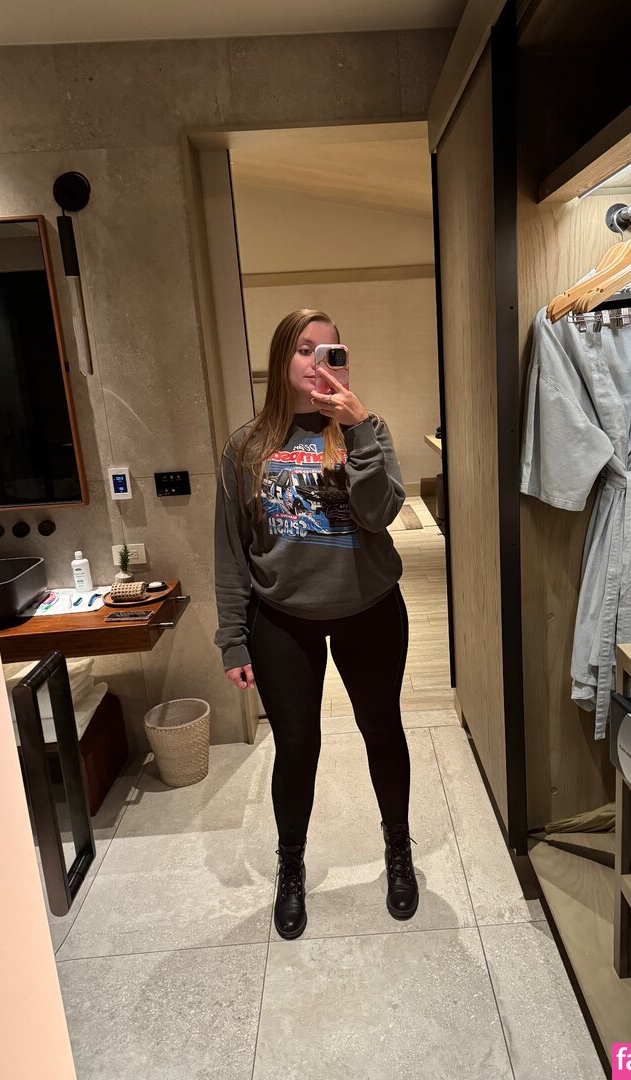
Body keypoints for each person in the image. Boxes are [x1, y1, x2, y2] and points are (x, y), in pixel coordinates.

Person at [214, 308, 417, 940]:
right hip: (282, 619)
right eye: (305, 350)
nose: (318, 363)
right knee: (297, 747)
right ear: (282, 359)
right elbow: (232, 548)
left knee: (382, 731)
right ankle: (292, 866)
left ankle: (398, 849)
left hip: (369, 609)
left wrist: (357, 430)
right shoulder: (247, 447)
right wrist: (232, 638)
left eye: (331, 351)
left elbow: (379, 514)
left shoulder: (366, 428)